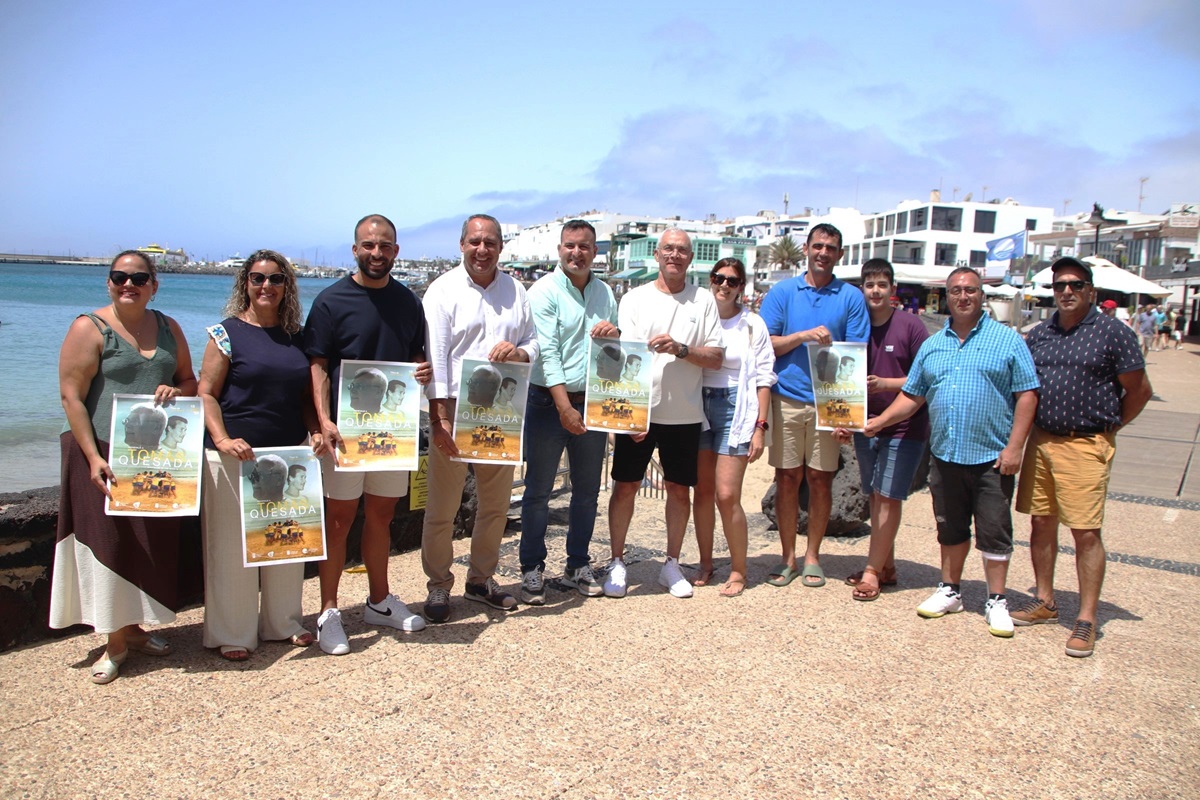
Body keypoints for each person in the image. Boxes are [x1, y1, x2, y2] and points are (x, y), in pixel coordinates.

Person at [864, 267, 1038, 637]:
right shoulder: (933, 344)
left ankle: (996, 599)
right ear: (947, 296)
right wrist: (878, 424)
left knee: (994, 529)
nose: (963, 297)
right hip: (945, 452)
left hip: (991, 455)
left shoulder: (1007, 341)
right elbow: (913, 395)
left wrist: (1015, 447)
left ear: (981, 295)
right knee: (950, 529)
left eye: (970, 290)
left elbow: (1027, 394)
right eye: (956, 291)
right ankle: (950, 589)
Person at [51, 250, 198, 684]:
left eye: (137, 277)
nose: (127, 284)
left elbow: (190, 380)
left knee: (144, 543)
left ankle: (134, 630)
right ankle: (113, 641)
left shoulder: (169, 328)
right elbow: (71, 397)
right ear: (109, 283)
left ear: (154, 284)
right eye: (119, 277)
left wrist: (175, 390)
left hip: (153, 458)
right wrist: (93, 457)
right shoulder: (89, 327)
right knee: (108, 545)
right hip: (99, 451)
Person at [1011, 257, 1152, 657]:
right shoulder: (1040, 334)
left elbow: (1139, 390)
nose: (1067, 291)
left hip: (1086, 442)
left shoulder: (1113, 333)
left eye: (1075, 284)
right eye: (1060, 286)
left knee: (1085, 532)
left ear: (1092, 290)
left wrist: (1111, 428)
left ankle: (1087, 617)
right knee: (1041, 522)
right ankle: (1045, 600)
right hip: (1043, 439)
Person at [305, 214, 432, 655]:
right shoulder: (330, 301)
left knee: (382, 516)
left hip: (390, 434)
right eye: (368, 245)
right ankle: (328, 612)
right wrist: (322, 421)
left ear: (395, 251)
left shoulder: (408, 303)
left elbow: (416, 357)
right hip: (344, 434)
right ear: (355, 250)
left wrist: (422, 369)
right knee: (338, 522)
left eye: (385, 246)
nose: (377, 253)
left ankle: (378, 600)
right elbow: (318, 366)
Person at [198, 250, 324, 661]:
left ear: (286, 286)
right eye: (257, 279)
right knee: (232, 551)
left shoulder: (296, 338)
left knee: (286, 544)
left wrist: (317, 430)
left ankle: (283, 623)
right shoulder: (225, 333)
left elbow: (305, 397)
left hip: (288, 458)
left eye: (274, 279)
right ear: (245, 284)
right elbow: (206, 395)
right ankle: (233, 632)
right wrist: (221, 440)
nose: (265, 286)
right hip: (236, 458)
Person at [421, 214, 538, 622]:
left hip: (500, 415)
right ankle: (438, 586)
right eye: (474, 242)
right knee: (442, 508)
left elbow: (533, 342)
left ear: (501, 247)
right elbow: (435, 358)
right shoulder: (441, 291)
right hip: (455, 410)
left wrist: (521, 354)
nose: (482, 249)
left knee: (495, 506)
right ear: (461, 245)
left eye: (490, 242)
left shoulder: (516, 291)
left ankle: (480, 580)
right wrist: (440, 418)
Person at [604, 228, 724, 599]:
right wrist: (626, 416)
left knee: (678, 490)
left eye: (682, 250)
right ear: (657, 255)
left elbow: (717, 358)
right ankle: (616, 561)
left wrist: (681, 349)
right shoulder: (635, 298)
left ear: (691, 258)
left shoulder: (703, 300)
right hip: (640, 412)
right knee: (624, 487)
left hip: (684, 414)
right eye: (668, 249)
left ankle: (671, 563)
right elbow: (624, 357)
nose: (675, 255)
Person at [758, 224, 869, 588]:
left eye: (831, 248)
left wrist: (846, 416)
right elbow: (766, 346)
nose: (823, 252)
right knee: (787, 479)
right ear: (806, 248)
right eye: (818, 245)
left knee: (821, 481)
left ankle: (813, 557)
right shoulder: (783, 292)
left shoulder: (851, 297)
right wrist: (804, 337)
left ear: (839, 254)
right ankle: (787, 557)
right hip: (786, 398)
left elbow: (856, 356)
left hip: (828, 405)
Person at [519, 219, 620, 605]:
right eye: (569, 246)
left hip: (591, 402)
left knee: (587, 491)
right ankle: (532, 567)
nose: (576, 253)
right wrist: (564, 407)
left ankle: (577, 563)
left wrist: (615, 334)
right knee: (539, 492)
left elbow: (610, 351)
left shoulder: (605, 293)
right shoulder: (543, 291)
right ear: (559, 249)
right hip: (548, 402)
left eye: (584, 246)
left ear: (595, 252)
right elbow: (548, 353)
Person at [834, 259, 930, 602]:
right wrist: (843, 421)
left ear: (892, 290)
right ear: (863, 289)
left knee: (889, 496)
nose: (875, 291)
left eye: (882, 285)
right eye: (870, 284)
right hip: (865, 425)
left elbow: (927, 378)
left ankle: (872, 571)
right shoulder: (857, 327)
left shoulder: (912, 326)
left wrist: (887, 383)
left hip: (903, 425)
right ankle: (885, 565)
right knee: (875, 495)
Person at [692, 258, 775, 597]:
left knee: (727, 495)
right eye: (718, 278)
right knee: (703, 493)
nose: (724, 285)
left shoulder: (753, 324)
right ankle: (706, 561)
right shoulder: (700, 318)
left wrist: (760, 427)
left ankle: (739, 569)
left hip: (735, 408)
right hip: (698, 405)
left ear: (742, 287)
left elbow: (765, 378)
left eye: (732, 280)